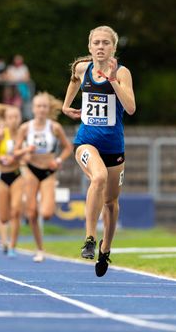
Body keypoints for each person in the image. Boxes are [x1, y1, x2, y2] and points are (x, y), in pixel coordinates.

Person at [62, 25, 136, 277]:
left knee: (111, 203)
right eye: (97, 42)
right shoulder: (83, 69)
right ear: (90, 47)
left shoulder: (123, 73)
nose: (101, 46)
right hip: (86, 141)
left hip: (114, 146)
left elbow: (131, 108)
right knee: (99, 177)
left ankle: (106, 249)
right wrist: (65, 106)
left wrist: (113, 79)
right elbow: (74, 78)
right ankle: (90, 238)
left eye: (106, 43)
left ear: (114, 47)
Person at [14, 92, 72, 262]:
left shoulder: (54, 127)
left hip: (48, 170)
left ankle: (40, 203)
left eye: (44, 106)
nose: (41, 109)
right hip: (31, 168)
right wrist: (26, 150)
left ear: (48, 109)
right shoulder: (25, 128)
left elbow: (68, 147)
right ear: (33, 109)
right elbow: (15, 152)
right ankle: (40, 249)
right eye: (38, 106)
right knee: (31, 213)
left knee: (46, 213)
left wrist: (59, 160)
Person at [0, 103, 25, 257]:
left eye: (16, 117)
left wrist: (23, 155)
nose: (14, 120)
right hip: (0, 176)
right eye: (10, 117)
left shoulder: (24, 133)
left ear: (20, 118)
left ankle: (13, 246)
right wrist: (0, 158)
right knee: (3, 216)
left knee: (16, 210)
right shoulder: (1, 134)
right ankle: (4, 241)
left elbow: (28, 155)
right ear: (6, 120)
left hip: (16, 174)